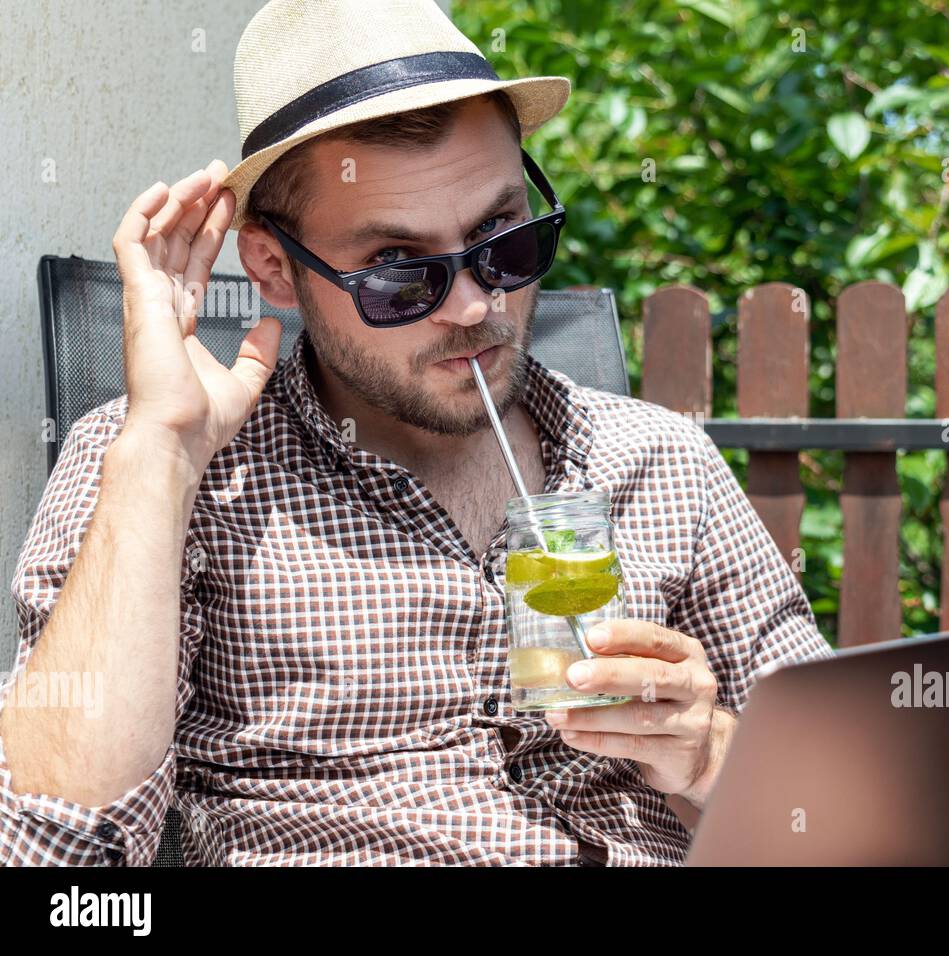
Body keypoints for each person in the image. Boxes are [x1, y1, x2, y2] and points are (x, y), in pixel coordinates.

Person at [0, 0, 832, 866]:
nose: (477, 306)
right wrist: (162, 453)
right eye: (400, 272)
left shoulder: (658, 463)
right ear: (276, 269)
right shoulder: (174, 471)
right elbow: (51, 854)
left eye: (503, 239)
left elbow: (852, 816)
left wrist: (709, 758)